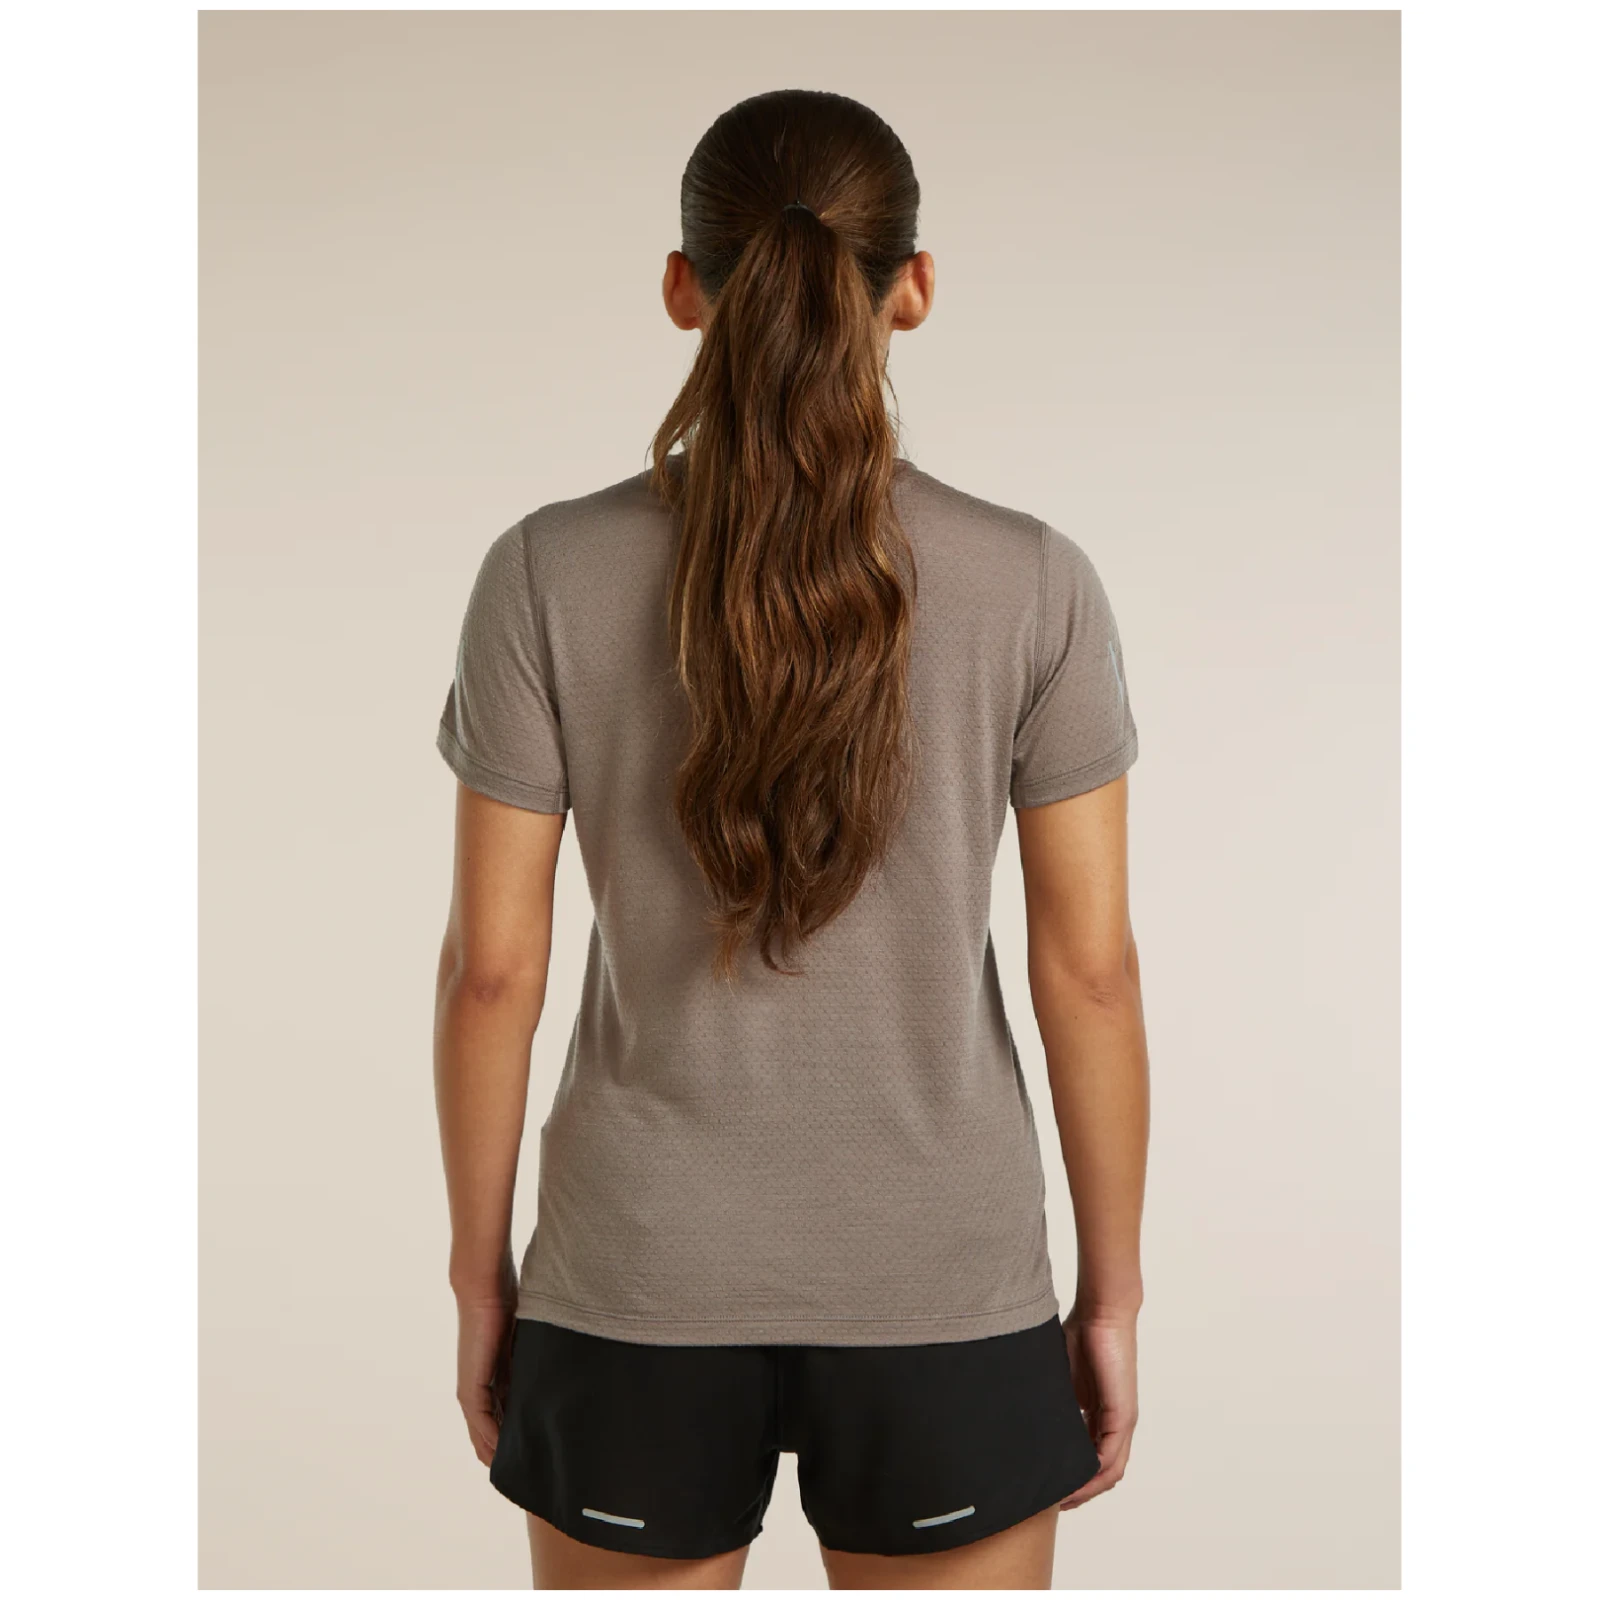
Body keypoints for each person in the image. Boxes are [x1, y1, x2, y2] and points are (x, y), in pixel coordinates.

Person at [432, 88, 1150, 1591]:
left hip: (633, 1276)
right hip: (943, 1280)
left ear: (684, 286)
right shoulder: (1034, 582)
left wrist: (479, 1274)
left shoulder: (545, 573)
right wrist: (1111, 1295)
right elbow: (1089, 975)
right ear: (913, 287)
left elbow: (494, 973)